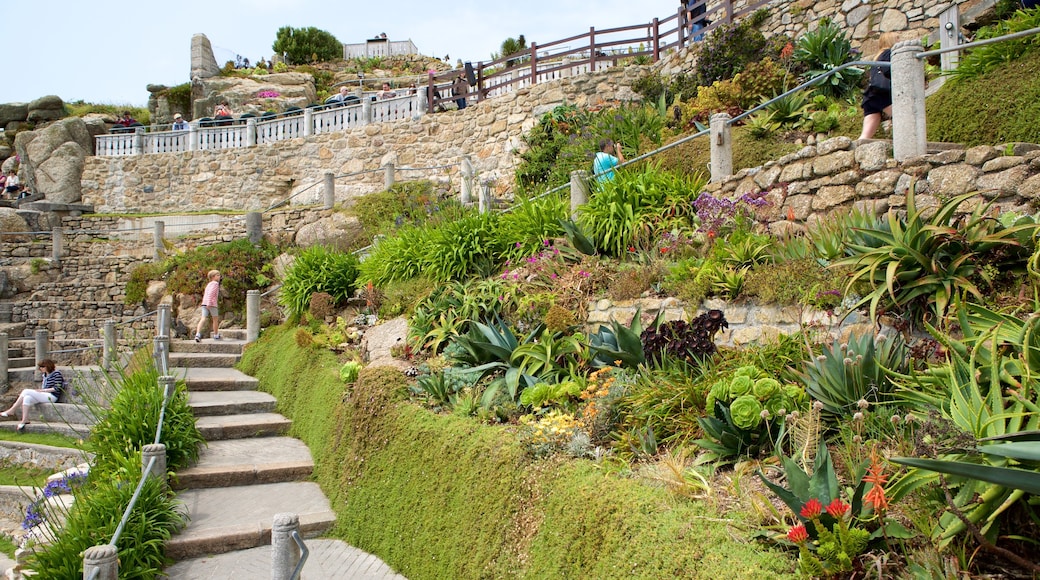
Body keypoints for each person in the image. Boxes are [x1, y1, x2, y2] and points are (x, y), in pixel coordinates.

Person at [1, 359, 65, 433]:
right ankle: (24, 419)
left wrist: (42, 391)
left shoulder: (56, 374)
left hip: (52, 396)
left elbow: (58, 387)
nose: (40, 369)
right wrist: (41, 391)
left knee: (26, 391)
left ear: (48, 366)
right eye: (40, 367)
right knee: (27, 398)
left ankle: (12, 410)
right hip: (44, 394)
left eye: (42, 367)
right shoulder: (44, 375)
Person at [859, 32, 898, 141]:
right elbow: (887, 70)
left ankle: (857, 148)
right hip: (882, 94)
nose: (900, 41)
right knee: (902, 115)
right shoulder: (889, 53)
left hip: (871, 95)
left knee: (865, 135)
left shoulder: (877, 57)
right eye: (897, 38)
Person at [195, 270, 222, 342]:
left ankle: (198, 334)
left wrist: (206, 303)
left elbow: (206, 294)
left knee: (203, 318)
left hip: (204, 303)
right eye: (218, 275)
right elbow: (211, 294)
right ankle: (216, 335)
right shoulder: (215, 284)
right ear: (213, 277)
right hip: (212, 304)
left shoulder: (209, 284)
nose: (219, 276)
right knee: (215, 319)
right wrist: (209, 303)